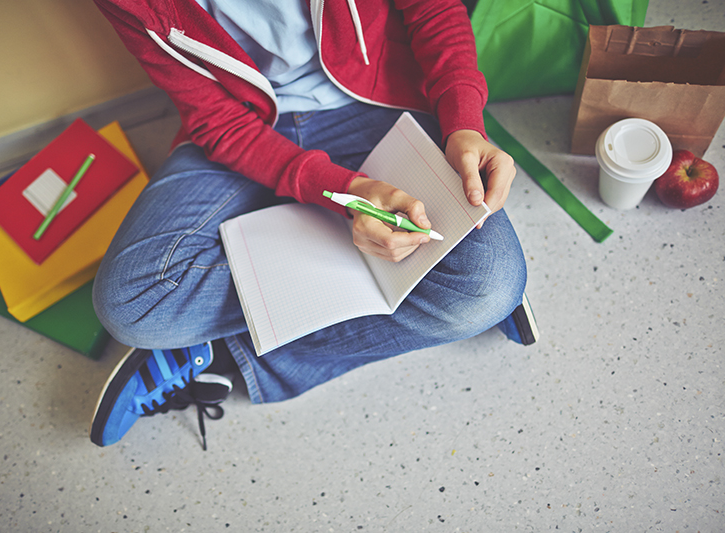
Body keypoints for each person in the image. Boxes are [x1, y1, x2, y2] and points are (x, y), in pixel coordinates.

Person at [89, 0, 538, 449]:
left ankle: (224, 352)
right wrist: (342, 192)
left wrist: (463, 124)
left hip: (376, 102)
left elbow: (434, 10)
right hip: (246, 127)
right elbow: (217, 122)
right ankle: (428, 290)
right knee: (131, 302)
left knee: (490, 287)